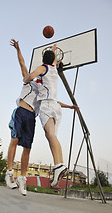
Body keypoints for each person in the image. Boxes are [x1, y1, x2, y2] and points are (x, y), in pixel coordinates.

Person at [24, 44, 78, 187]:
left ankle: (59, 165)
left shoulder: (43, 67)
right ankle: (59, 165)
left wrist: (26, 79)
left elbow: (30, 76)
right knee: (51, 135)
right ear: (54, 59)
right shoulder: (53, 68)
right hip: (56, 105)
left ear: (43, 59)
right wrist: (54, 50)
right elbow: (53, 60)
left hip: (47, 105)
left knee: (50, 135)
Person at [5, 39, 39, 196]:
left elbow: (55, 102)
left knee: (28, 147)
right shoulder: (29, 79)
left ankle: (22, 179)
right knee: (15, 140)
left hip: (31, 117)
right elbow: (21, 62)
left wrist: (68, 106)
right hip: (21, 111)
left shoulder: (43, 91)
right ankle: (9, 173)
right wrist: (18, 49)